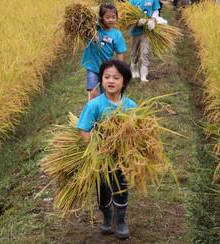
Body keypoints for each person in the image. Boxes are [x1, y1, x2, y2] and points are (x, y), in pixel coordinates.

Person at [77, 60, 136, 239]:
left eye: (116, 77)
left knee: (121, 187)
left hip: (122, 157)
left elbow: (137, 131)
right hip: (101, 158)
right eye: (107, 77)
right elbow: (84, 129)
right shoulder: (94, 105)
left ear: (124, 82)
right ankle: (107, 217)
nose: (111, 81)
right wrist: (96, 149)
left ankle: (120, 220)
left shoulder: (131, 106)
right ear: (101, 80)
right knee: (103, 189)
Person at [80, 4, 127, 100]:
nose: (111, 20)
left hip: (106, 68)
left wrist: (120, 68)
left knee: (107, 92)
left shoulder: (117, 34)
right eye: (107, 17)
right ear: (101, 18)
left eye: (113, 17)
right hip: (92, 66)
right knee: (93, 92)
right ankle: (92, 111)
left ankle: (106, 111)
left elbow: (120, 53)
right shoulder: (93, 29)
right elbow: (81, 22)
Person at [129, 0, 164, 83]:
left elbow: (155, 10)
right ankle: (134, 67)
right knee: (134, 52)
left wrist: (153, 19)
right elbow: (129, 13)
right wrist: (137, 21)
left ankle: (143, 74)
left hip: (147, 31)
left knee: (145, 52)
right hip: (136, 30)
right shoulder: (132, 0)